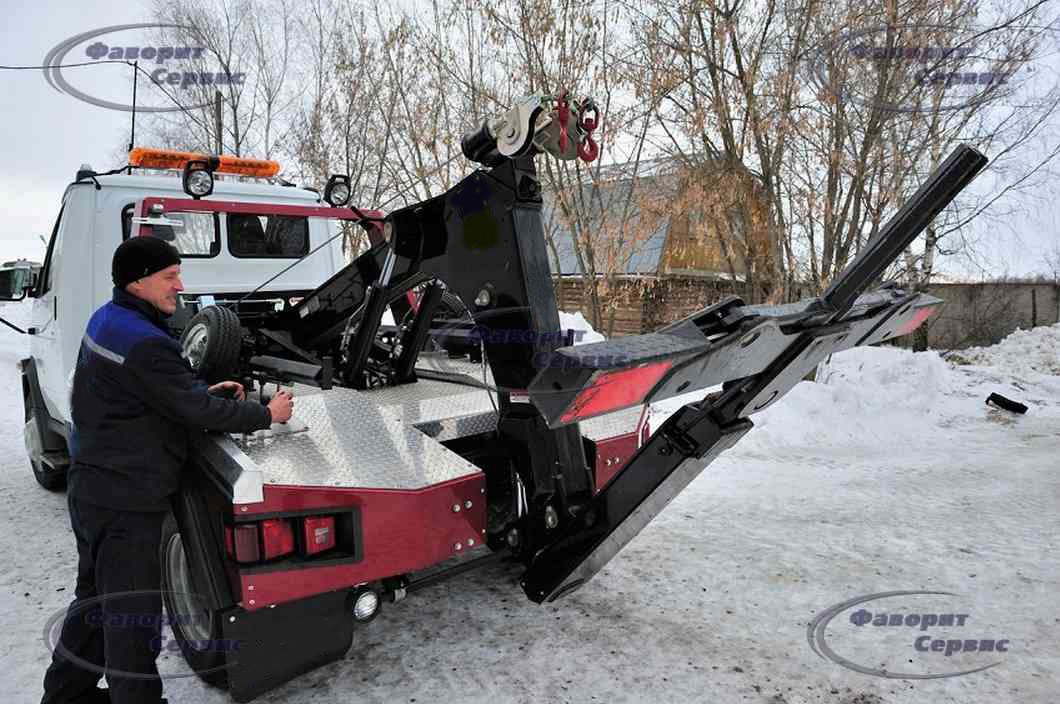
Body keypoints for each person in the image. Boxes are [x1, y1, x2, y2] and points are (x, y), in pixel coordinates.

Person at [41, 236, 294, 704]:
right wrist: (267, 414)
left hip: (94, 487)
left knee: (95, 602)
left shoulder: (109, 319)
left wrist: (201, 392)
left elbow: (154, 395)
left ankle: (65, 697)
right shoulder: (146, 343)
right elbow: (192, 409)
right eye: (169, 276)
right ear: (137, 282)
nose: (180, 284)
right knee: (131, 622)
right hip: (125, 502)